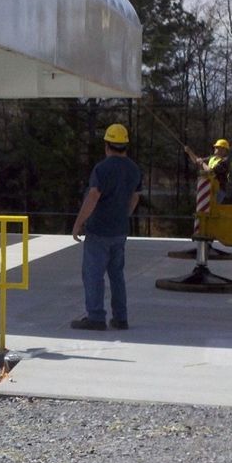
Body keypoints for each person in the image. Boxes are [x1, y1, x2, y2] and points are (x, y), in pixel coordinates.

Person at [70, 123, 142, 331]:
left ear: (107, 145)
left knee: (93, 274)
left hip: (99, 230)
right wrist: (123, 215)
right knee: (117, 275)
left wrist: (78, 224)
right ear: (125, 145)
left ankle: (96, 317)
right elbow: (135, 197)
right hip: (120, 231)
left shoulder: (102, 169)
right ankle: (121, 318)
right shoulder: (134, 169)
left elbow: (93, 197)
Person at [185, 138, 230, 203]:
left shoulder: (225, 162)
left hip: (218, 190)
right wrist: (189, 152)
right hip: (208, 188)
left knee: (212, 210)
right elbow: (197, 161)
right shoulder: (212, 158)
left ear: (224, 150)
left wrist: (202, 163)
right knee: (206, 210)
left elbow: (210, 172)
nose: (215, 148)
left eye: (217, 147)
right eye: (215, 147)